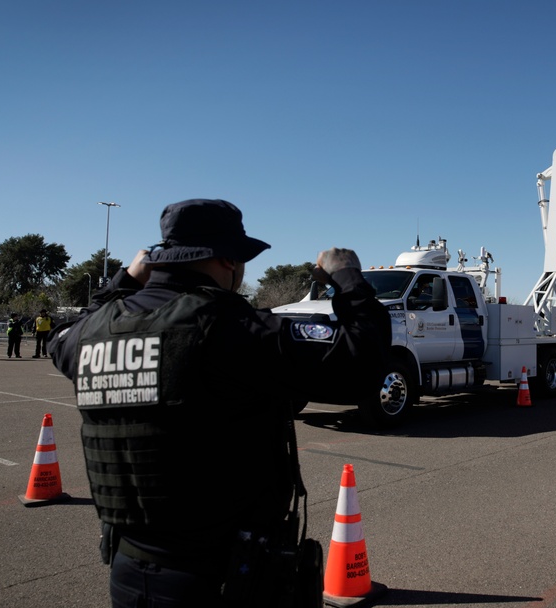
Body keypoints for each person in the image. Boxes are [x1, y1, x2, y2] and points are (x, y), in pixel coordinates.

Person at [48, 198, 390, 607]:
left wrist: (123, 280)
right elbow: (360, 368)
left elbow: (61, 337)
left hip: (129, 569)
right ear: (228, 259)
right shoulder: (230, 328)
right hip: (224, 578)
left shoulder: (93, 332)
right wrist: (349, 279)